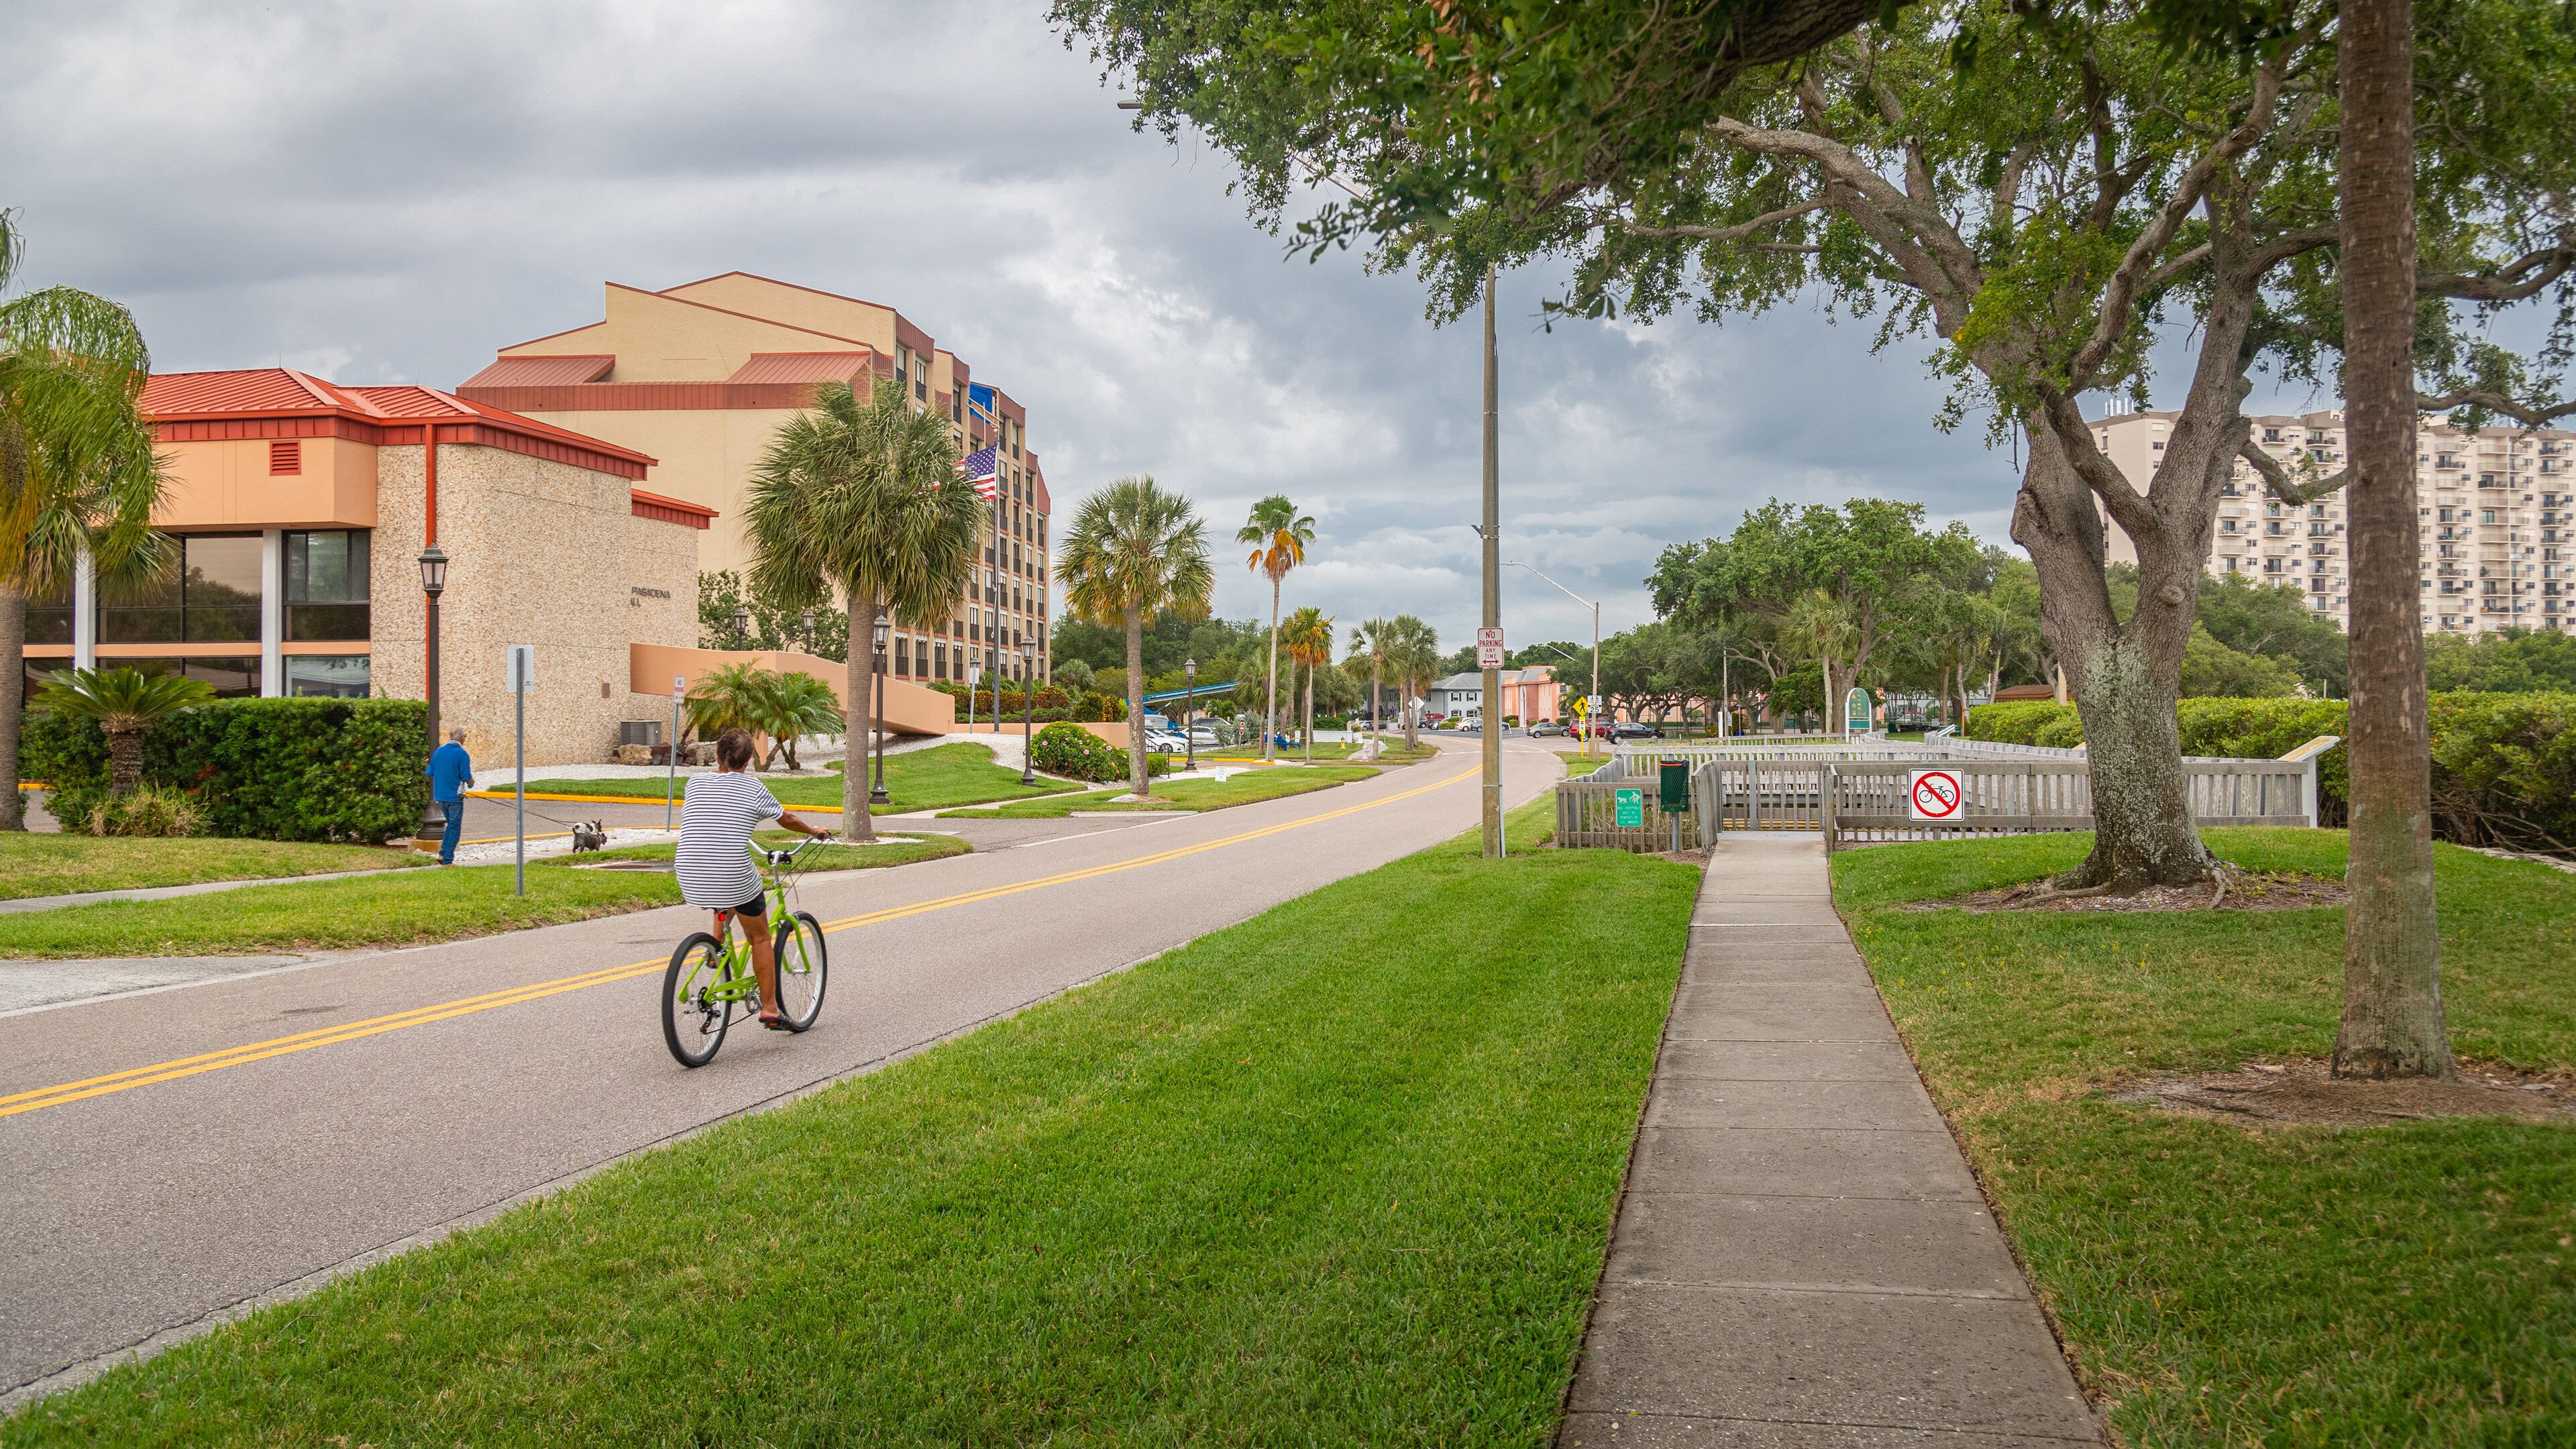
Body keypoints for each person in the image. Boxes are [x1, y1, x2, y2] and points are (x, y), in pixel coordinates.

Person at [676, 729, 830, 1029]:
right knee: (759, 934)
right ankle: (771, 1009)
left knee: (730, 886)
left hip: (689, 870)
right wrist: (813, 831)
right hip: (729, 872)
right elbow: (786, 819)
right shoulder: (752, 787)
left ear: (718, 755)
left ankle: (717, 941)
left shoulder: (694, 782)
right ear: (747, 762)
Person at [425, 727, 475, 865]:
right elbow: (465, 776)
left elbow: (430, 772)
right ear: (462, 738)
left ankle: (442, 854)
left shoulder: (438, 752)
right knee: (454, 827)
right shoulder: (461, 754)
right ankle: (447, 859)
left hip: (440, 796)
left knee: (450, 825)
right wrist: (471, 783)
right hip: (454, 797)